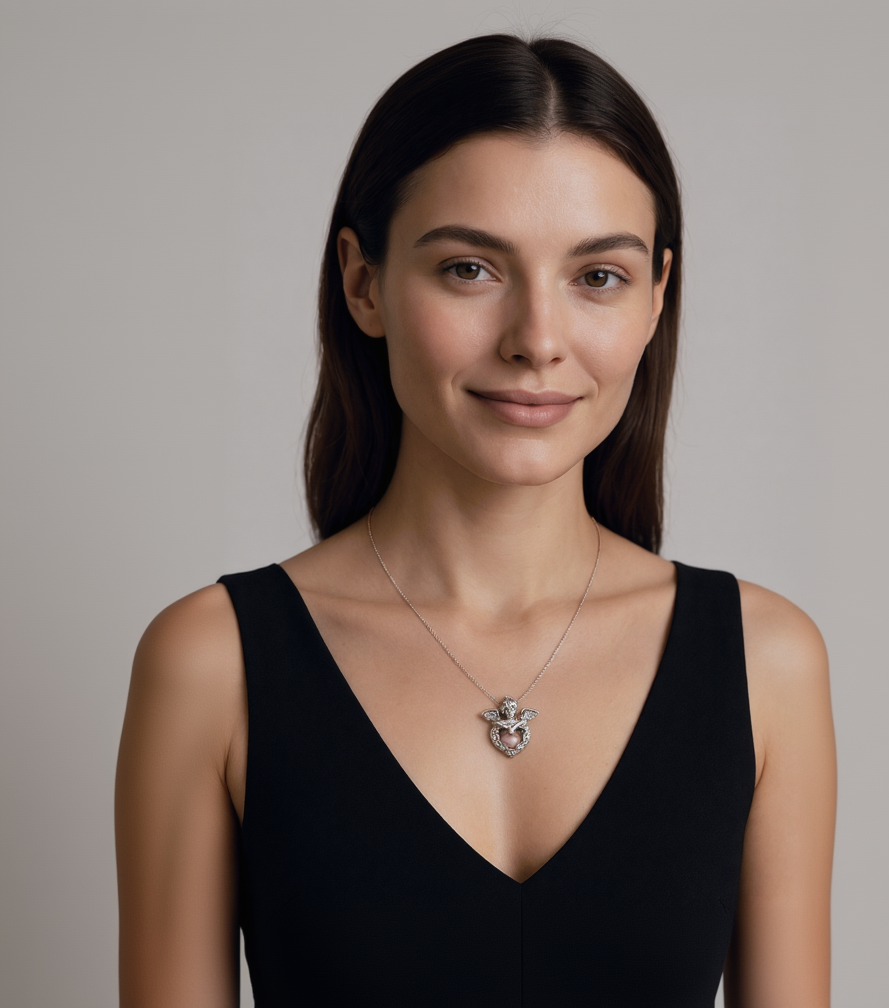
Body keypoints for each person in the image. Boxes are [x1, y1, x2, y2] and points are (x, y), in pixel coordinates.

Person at [115, 34, 835, 1008]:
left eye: (597, 277)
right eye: (469, 269)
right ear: (362, 283)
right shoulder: (211, 662)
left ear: (657, 295)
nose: (537, 340)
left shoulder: (767, 660)